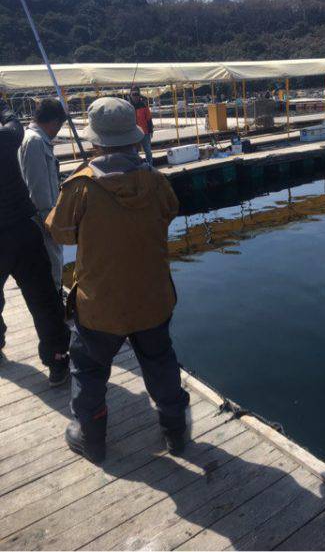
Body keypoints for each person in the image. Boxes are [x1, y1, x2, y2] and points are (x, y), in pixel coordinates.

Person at [46, 97, 189, 463]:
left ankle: (91, 439)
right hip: (152, 299)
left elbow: (60, 232)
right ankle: (176, 433)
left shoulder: (80, 186)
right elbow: (169, 212)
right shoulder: (156, 182)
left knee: (90, 371)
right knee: (160, 362)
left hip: (101, 305)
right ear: (133, 137)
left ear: (95, 141)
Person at [0, 99, 70, 384]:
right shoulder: (8, 136)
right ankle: (56, 359)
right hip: (21, 228)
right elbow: (13, 125)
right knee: (43, 299)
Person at [18, 98, 67, 292]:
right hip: (44, 219)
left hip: (44, 215)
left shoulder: (31, 137)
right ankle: (56, 308)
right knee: (52, 267)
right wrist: (50, 221)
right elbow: (37, 188)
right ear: (54, 122)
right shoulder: (35, 141)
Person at [129, 86, 153, 166]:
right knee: (134, 153)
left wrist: (151, 131)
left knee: (148, 152)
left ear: (139, 95)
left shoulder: (144, 105)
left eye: (137, 94)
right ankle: (137, 168)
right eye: (133, 94)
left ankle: (150, 167)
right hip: (133, 134)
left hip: (145, 133)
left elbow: (149, 119)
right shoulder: (128, 106)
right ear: (130, 95)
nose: (135, 96)